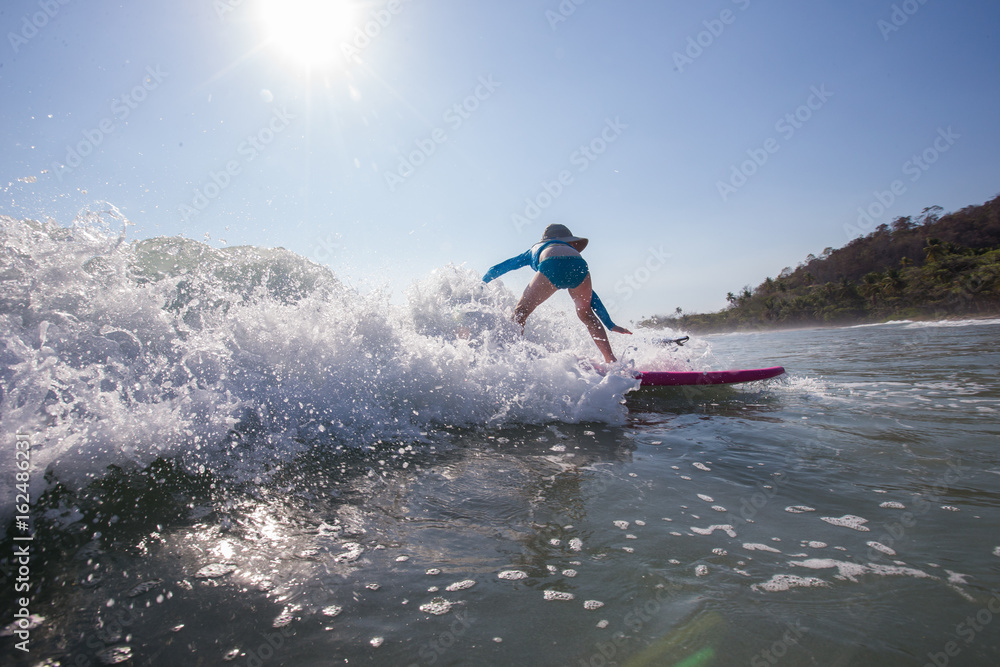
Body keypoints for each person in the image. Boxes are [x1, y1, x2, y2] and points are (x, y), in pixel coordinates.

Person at [483, 224, 632, 363]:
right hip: (580, 265)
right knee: (586, 314)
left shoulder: (536, 249)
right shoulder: (571, 251)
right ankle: (611, 360)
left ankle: (513, 359)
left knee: (521, 313)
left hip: (550, 263)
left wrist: (481, 285)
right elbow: (592, 297)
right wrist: (610, 324)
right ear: (570, 242)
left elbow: (501, 267)